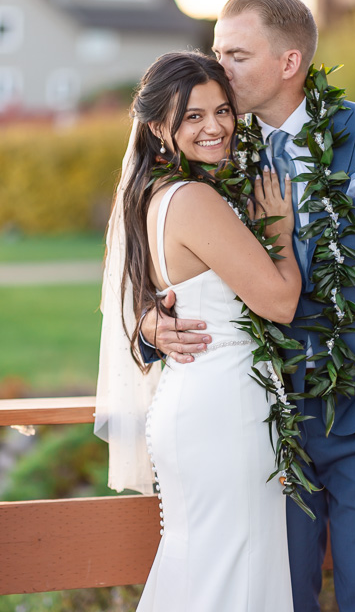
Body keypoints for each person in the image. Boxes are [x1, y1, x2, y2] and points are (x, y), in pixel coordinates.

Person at [140, 0, 355, 612]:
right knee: (279, 594)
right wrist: (149, 324)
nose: (220, 70)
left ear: (288, 62)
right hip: (265, 420)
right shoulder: (215, 151)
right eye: (217, 53)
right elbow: (170, 260)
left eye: (236, 55)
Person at [95, 51, 301, 611]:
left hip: (196, 403)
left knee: (205, 567)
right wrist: (279, 233)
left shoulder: (153, 196)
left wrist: (145, 321)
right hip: (224, 411)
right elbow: (280, 302)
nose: (215, 127)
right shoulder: (195, 199)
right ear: (160, 126)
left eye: (222, 111)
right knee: (233, 569)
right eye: (192, 116)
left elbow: (135, 298)